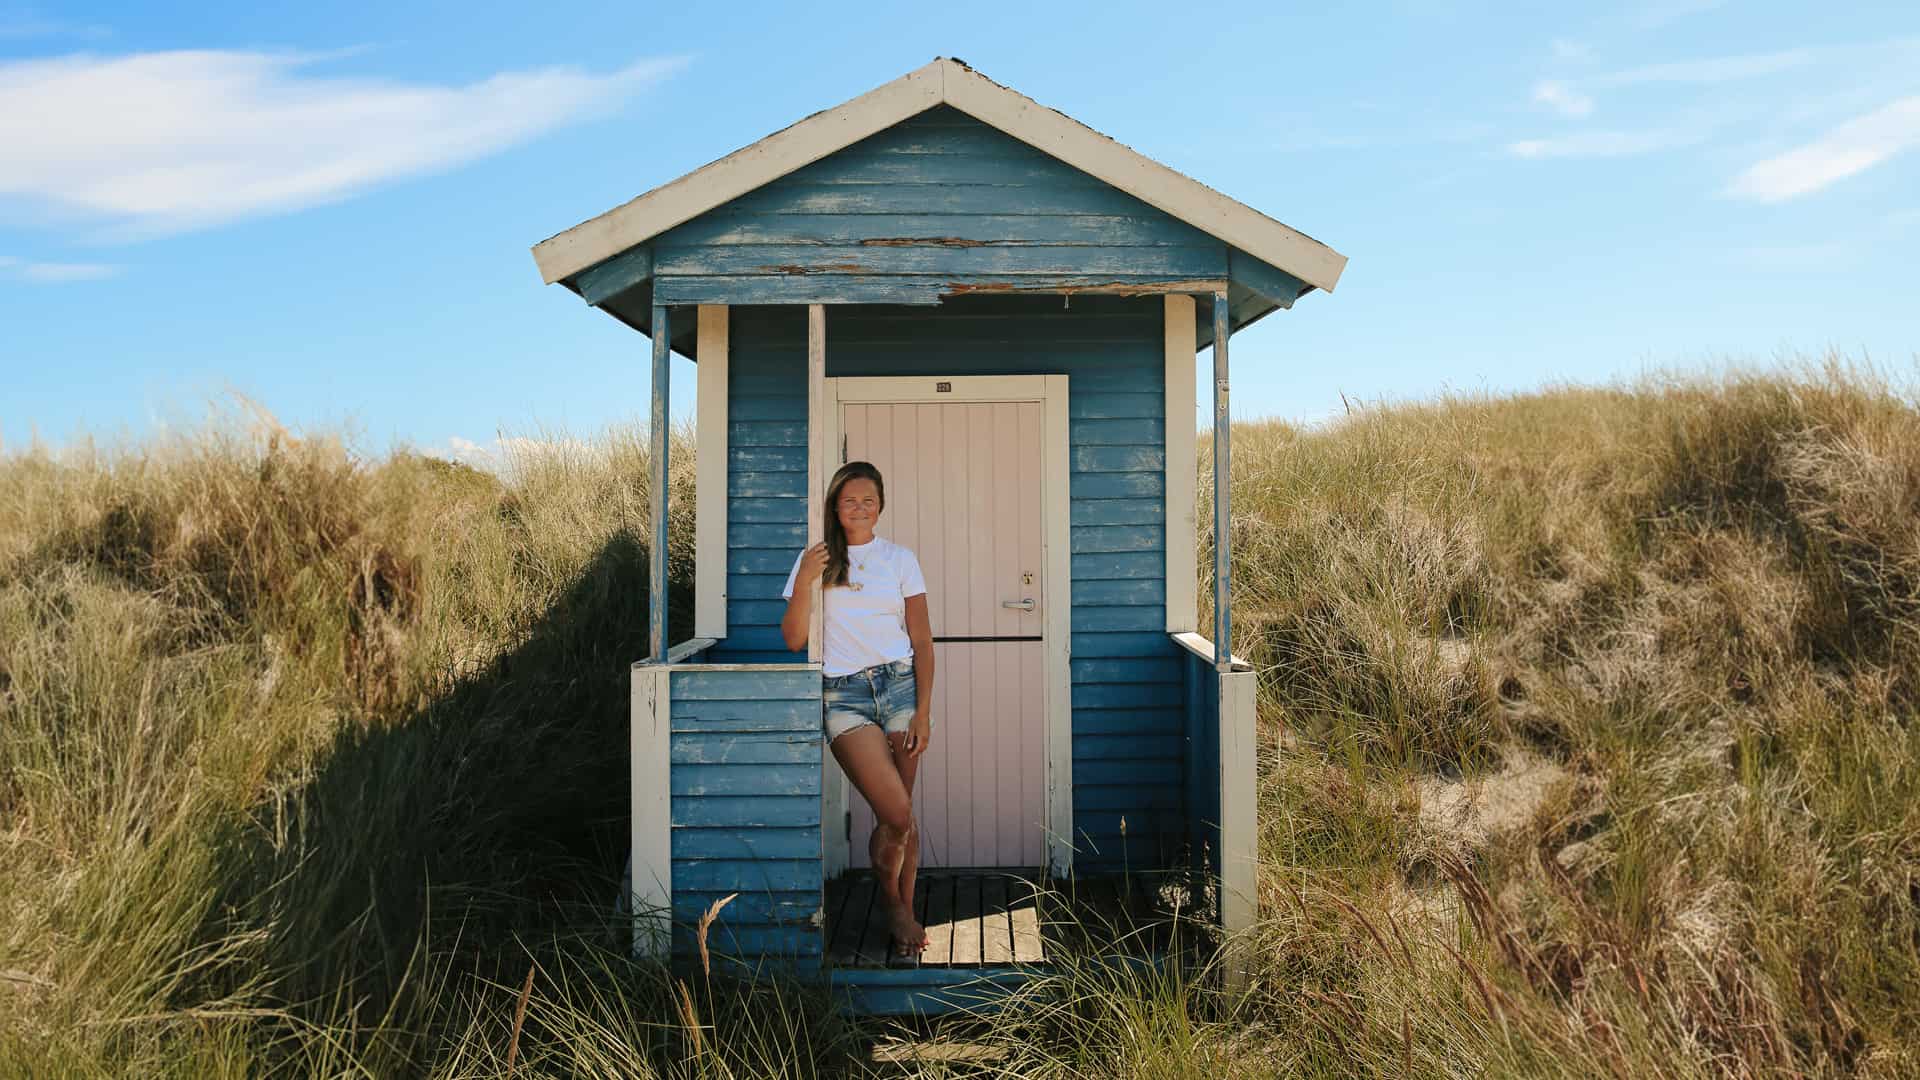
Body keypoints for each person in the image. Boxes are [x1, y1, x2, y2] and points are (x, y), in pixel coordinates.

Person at [781, 461, 934, 957]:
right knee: (896, 810)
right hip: (844, 697)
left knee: (902, 818)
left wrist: (924, 711)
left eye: (868, 499)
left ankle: (903, 910)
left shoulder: (900, 559)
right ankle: (893, 905)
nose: (860, 508)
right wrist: (806, 577)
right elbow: (793, 639)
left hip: (900, 688)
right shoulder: (817, 559)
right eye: (850, 500)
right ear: (835, 506)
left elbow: (923, 641)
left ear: (881, 505)